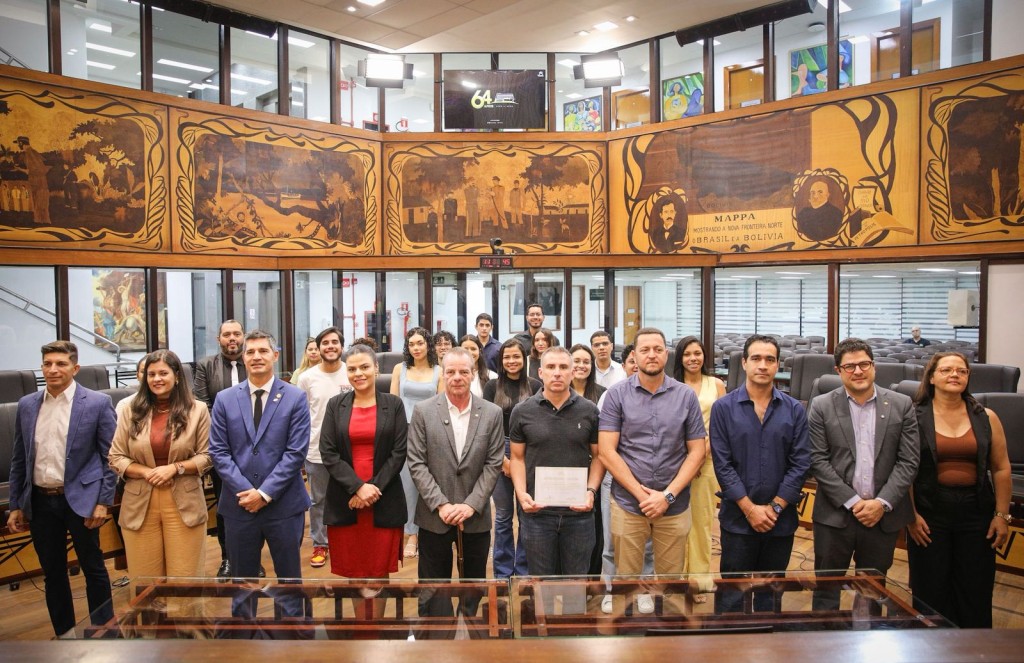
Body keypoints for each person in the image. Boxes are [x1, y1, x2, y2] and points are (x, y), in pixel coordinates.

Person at [6, 341, 117, 637]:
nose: (53, 369)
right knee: (53, 573)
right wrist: (15, 504)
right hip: (40, 502)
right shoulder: (27, 405)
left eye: (60, 364)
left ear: (75, 368)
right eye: (47, 364)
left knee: (93, 569)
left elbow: (110, 458)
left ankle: (104, 633)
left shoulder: (96, 403)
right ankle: (64, 635)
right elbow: (19, 458)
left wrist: (103, 502)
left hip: (81, 500)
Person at [598, 327, 706, 614]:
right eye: (644, 350)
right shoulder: (616, 395)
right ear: (634, 355)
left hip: (675, 504)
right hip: (628, 503)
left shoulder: (685, 396)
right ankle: (625, 633)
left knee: (670, 581)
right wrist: (642, 495)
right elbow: (607, 451)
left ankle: (667, 634)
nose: (652, 355)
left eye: (658, 349)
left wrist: (667, 496)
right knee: (626, 578)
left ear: (666, 354)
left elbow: (697, 451)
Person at [808, 337, 920, 613]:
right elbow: (817, 460)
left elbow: (908, 461)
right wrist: (853, 501)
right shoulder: (821, 405)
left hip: (882, 517)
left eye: (864, 364)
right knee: (826, 590)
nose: (858, 371)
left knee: (872, 590)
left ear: (874, 366)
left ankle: (866, 637)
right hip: (834, 515)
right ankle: (823, 637)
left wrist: (880, 503)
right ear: (838, 370)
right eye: (850, 366)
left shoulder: (901, 404)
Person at [208, 330, 311, 620]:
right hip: (239, 507)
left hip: (284, 506)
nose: (256, 357)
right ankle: (244, 637)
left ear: (275, 356)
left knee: (289, 580)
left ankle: (291, 635)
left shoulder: (295, 397)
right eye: (250, 352)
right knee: (243, 584)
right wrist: (247, 493)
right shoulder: (225, 399)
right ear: (243, 358)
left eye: (263, 351)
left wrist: (264, 494)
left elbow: (295, 453)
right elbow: (218, 452)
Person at [906, 352, 1012, 628]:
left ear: (967, 377)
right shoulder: (914, 416)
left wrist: (1002, 515)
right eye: (946, 370)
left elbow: (1001, 468)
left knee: (975, 586)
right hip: (930, 512)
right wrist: (911, 515)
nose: (954, 375)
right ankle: (931, 645)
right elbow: (905, 471)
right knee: (930, 587)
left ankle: (973, 645)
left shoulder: (987, 417)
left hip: (976, 512)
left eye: (961, 371)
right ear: (931, 377)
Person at [710, 335, 810, 613]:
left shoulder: (794, 410)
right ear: (744, 363)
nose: (763, 365)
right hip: (737, 519)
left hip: (781, 520)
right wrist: (750, 508)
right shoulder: (723, 408)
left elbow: (801, 463)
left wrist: (775, 507)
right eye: (756, 358)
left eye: (769, 359)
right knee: (732, 597)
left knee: (770, 595)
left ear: (778, 365)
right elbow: (722, 464)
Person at [108, 350, 211, 614]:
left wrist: (175, 468)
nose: (157, 379)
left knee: (185, 582)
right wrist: (146, 472)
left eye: (163, 373)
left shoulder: (197, 410)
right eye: (151, 374)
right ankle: (149, 637)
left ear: (177, 376)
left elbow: (208, 455)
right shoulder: (130, 409)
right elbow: (116, 456)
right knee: (145, 585)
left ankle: (187, 635)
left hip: (184, 502)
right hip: (139, 503)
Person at [406, 348, 504, 627]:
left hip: (475, 517)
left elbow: (493, 464)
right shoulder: (423, 411)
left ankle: (470, 637)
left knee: (473, 588)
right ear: (443, 374)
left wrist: (471, 505)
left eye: (463, 371)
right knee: (433, 591)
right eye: (451, 372)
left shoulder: (492, 413)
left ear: (473, 374)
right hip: (434, 516)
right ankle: (436, 638)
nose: (457, 377)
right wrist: (442, 504)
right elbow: (416, 463)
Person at [510, 346, 602, 612]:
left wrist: (591, 491)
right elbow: (516, 458)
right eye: (551, 367)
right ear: (540, 373)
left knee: (576, 589)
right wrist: (521, 494)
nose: (557, 373)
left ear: (573, 373)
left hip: (579, 515)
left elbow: (599, 456)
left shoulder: (590, 411)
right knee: (542, 590)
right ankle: (543, 636)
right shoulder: (522, 411)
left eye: (563, 367)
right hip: (538, 514)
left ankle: (573, 635)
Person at [319, 345, 407, 618]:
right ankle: (361, 628)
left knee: (378, 570)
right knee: (355, 570)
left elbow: (398, 453)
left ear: (376, 369)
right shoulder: (336, 405)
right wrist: (358, 487)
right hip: (347, 499)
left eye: (364, 367)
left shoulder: (393, 404)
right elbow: (328, 452)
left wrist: (371, 489)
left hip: (383, 497)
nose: (358, 373)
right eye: (352, 368)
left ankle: (377, 630)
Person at [672, 336, 726, 603]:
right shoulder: (671, 385)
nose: (693, 358)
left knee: (702, 524)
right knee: (675, 525)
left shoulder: (716, 384)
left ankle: (699, 581)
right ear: (679, 358)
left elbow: (722, 425)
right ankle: (675, 580)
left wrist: (700, 455)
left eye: (698, 353)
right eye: (687, 354)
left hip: (707, 462)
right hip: (674, 463)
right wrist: (686, 460)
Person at [482, 339, 541, 578]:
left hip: (530, 451)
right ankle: (503, 572)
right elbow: (487, 428)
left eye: (516, 356)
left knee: (527, 514)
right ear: (500, 360)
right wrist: (503, 461)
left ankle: (525, 571)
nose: (511, 361)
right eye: (507, 357)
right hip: (499, 449)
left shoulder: (536, 385)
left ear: (524, 359)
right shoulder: (491, 387)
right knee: (504, 516)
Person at [294, 326, 351, 569]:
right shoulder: (307, 378)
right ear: (318, 348)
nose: (330, 346)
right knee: (319, 501)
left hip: (349, 451)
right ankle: (320, 543)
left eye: (334, 342)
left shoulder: (352, 372)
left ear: (341, 346)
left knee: (350, 497)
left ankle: (346, 542)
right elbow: (300, 418)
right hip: (316, 450)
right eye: (325, 343)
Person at [194, 319, 246, 577]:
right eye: (227, 334)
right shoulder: (206, 365)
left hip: (253, 448)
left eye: (236, 333)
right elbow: (202, 405)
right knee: (225, 505)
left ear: (243, 336)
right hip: (221, 448)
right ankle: (227, 558)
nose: (232, 338)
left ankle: (250, 558)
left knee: (252, 503)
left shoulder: (253, 361)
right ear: (219, 339)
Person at [390, 326, 441, 559]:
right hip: (403, 431)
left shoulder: (439, 371)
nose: (416, 348)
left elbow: (440, 406)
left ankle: (421, 532)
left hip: (428, 432)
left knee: (425, 482)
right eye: (411, 344)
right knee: (406, 483)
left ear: (428, 345)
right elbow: (392, 404)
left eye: (420, 343)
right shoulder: (399, 369)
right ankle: (409, 532)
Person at [795, 178, 844, 242]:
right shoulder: (803, 213)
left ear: (827, 195)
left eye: (820, 192)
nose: (815, 196)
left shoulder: (836, 213)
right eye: (812, 192)